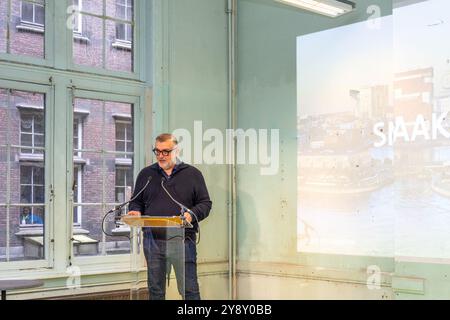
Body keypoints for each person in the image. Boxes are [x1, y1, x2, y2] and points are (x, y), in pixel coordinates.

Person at [128, 133, 212, 300]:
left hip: (183, 241)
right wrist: (135, 211)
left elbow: (205, 203)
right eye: (157, 151)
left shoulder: (193, 174)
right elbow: (136, 202)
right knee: (156, 292)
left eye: (166, 151)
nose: (161, 156)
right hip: (153, 241)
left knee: (189, 291)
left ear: (176, 150)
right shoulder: (147, 174)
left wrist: (190, 215)